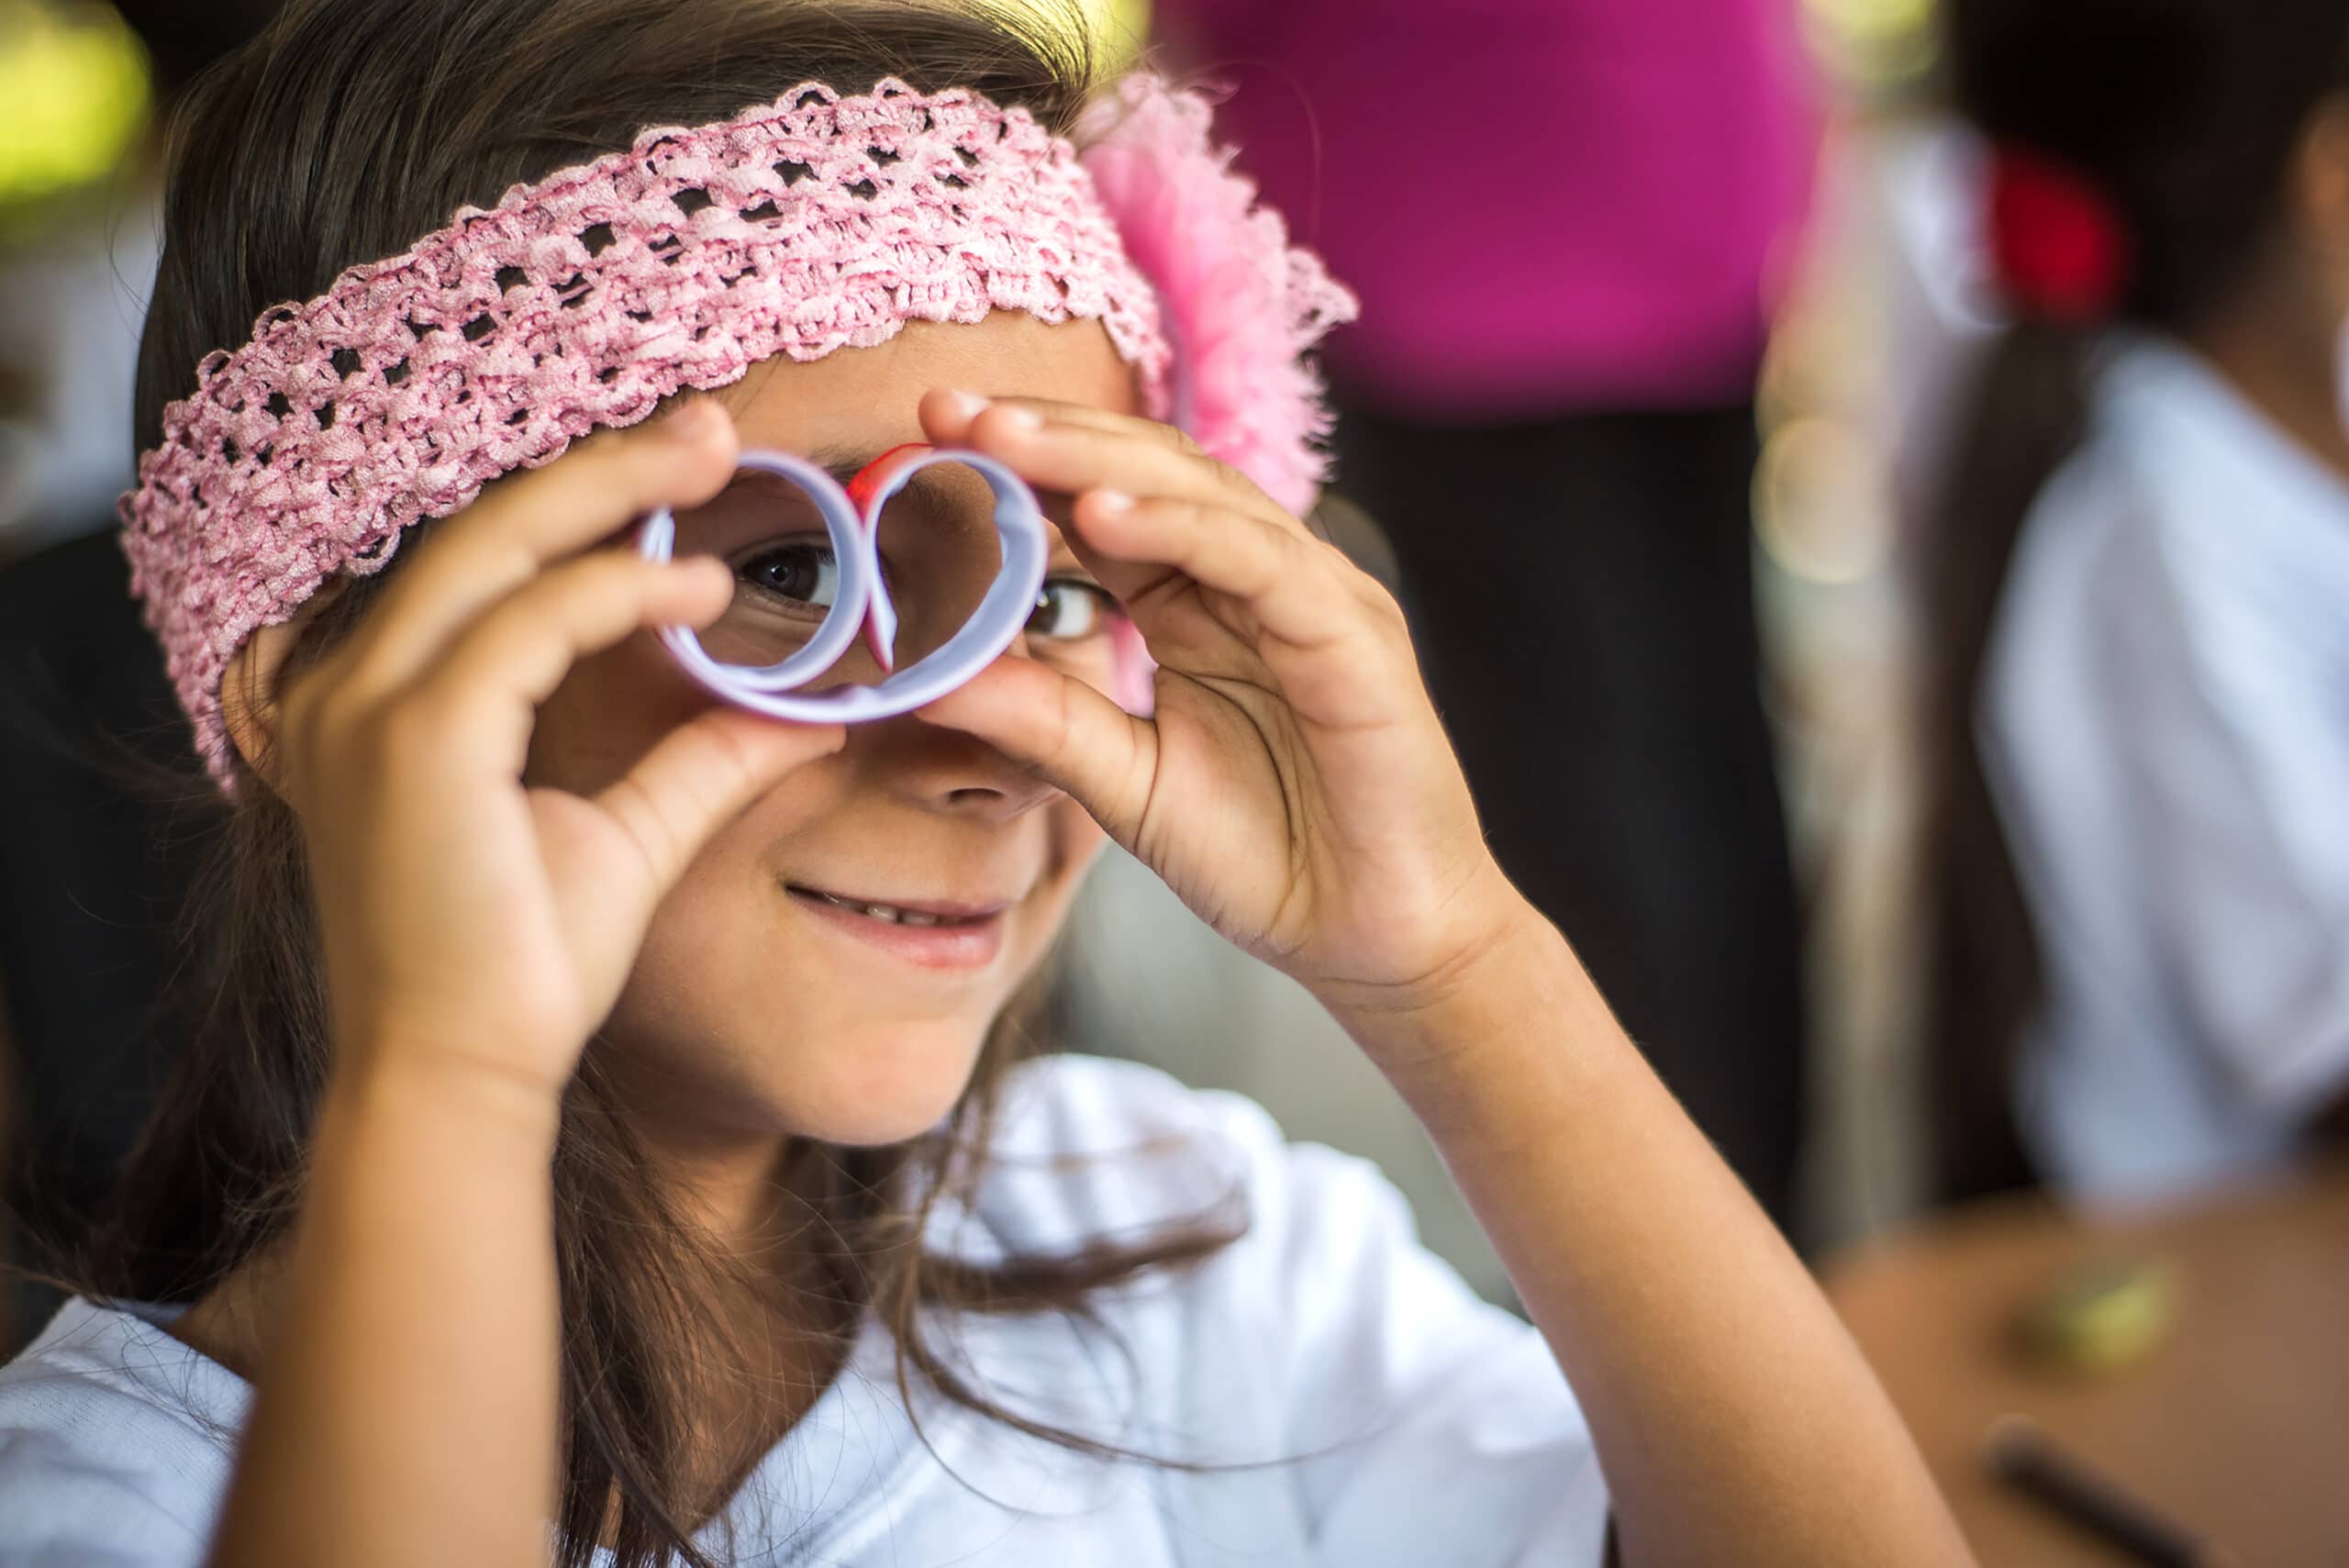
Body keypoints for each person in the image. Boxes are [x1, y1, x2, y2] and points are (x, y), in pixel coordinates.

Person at [0, 4, 1973, 1565]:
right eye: (788, 571)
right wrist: (449, 1089)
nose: (973, 740)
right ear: (314, 692)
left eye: (1054, 585)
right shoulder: (95, 1508)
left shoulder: (1171, 1249)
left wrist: (1454, 969)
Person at [1150, 0, 1819, 1226]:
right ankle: (1767, 1250)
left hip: (1467, 216)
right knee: (1715, 775)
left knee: (1591, 823)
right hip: (1684, 174)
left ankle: (1686, 1280)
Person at [1921, 0, 2349, 1203]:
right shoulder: (2167, 524)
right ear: (2328, 171)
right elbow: (2319, 1043)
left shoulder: (2274, 432)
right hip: (2225, 1256)